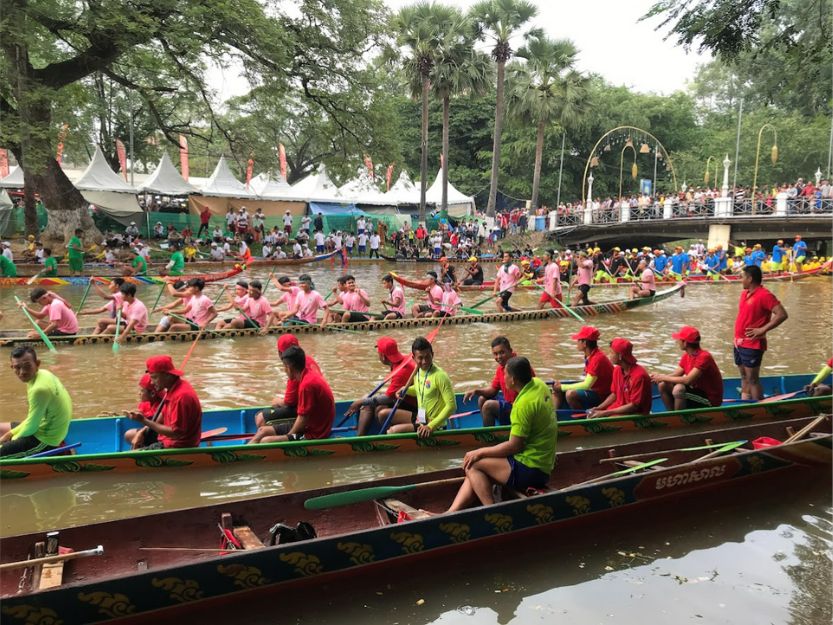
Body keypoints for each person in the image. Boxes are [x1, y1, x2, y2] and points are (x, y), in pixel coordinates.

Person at [448, 356, 556, 511]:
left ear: (512, 379)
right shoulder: (539, 384)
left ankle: (492, 511)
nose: (503, 377)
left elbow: (514, 446)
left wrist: (479, 451)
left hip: (531, 469)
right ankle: (450, 512)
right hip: (545, 463)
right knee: (476, 467)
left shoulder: (522, 405)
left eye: (505, 374)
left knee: (473, 464)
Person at [249, 345, 335, 443]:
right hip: (310, 424)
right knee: (262, 431)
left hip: (315, 433)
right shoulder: (306, 374)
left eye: (284, 367)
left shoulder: (307, 385)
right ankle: (245, 451)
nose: (284, 370)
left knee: (266, 441)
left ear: (289, 368)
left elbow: (303, 418)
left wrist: (289, 437)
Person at [0, 347, 72, 458]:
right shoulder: (42, 373)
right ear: (12, 367)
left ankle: (59, 451)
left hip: (46, 440)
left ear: (37, 364)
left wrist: (10, 440)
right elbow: (32, 420)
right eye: (17, 367)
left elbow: (32, 427)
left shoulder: (39, 390)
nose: (22, 372)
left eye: (27, 366)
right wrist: (9, 434)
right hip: (40, 426)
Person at [377, 337, 455, 437]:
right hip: (422, 419)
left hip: (434, 425)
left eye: (428, 357)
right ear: (413, 358)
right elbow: (420, 390)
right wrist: (406, 390)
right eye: (420, 358)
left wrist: (431, 426)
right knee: (383, 414)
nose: (424, 361)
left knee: (392, 431)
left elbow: (451, 406)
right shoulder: (419, 372)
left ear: (433, 354)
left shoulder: (440, 376)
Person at [733, 265, 789, 400]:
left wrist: (762, 329)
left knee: (752, 379)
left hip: (753, 344)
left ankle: (760, 408)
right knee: (744, 376)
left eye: (743, 277)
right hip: (738, 342)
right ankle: (745, 402)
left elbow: (782, 314)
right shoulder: (744, 294)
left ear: (750, 279)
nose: (741, 280)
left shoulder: (765, 295)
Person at [124, 355, 202, 449]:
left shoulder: (181, 396)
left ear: (168, 375)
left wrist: (144, 420)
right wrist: (142, 431)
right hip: (167, 438)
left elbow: (175, 434)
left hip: (177, 444)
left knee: (135, 453)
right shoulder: (172, 388)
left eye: (154, 377)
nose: (152, 382)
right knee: (130, 436)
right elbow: (163, 414)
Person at [349, 337, 417, 436]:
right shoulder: (403, 360)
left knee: (371, 406)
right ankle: (366, 435)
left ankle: (361, 437)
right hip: (404, 400)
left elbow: (389, 397)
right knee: (377, 406)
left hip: (414, 407)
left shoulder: (401, 372)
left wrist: (361, 402)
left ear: (383, 356)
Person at [253, 334, 322, 429]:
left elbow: (289, 402)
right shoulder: (309, 360)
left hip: (310, 411)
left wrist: (277, 401)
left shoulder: (293, 370)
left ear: (280, 353)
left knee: (260, 417)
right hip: (315, 406)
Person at [652, 326, 724, 410]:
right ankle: (671, 415)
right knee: (663, 385)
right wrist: (657, 378)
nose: (678, 342)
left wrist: (662, 377)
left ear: (685, 343)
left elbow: (688, 380)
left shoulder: (704, 357)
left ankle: (678, 419)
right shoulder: (687, 356)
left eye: (679, 340)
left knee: (679, 389)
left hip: (710, 400)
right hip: (696, 393)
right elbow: (675, 374)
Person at [464, 336, 530, 427]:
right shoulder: (501, 369)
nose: (498, 357)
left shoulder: (519, 366)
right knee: (482, 399)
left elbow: (530, 392)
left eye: (502, 352)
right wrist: (476, 391)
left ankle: (489, 437)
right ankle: (488, 428)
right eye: (495, 354)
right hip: (509, 403)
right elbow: (493, 390)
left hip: (520, 407)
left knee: (488, 406)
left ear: (510, 351)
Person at [552, 325, 614, 411]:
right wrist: (560, 388)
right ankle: (555, 415)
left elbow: (586, 385)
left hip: (603, 395)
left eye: (578, 340)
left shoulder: (597, 358)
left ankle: (582, 417)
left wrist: (562, 387)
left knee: (570, 394)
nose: (576, 342)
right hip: (593, 390)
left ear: (584, 343)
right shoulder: (589, 356)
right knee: (557, 391)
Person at [587, 338, 652, 418]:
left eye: (611, 352)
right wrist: (599, 408)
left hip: (636, 413)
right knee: (594, 416)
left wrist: (606, 413)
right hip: (619, 408)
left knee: (604, 419)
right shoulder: (617, 370)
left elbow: (634, 406)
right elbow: (614, 394)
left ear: (620, 356)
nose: (609, 355)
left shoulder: (639, 376)